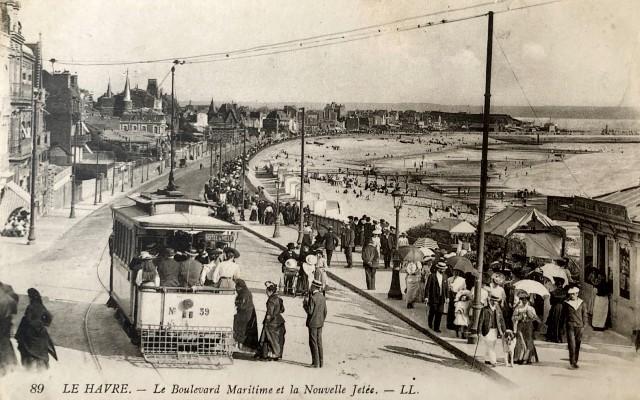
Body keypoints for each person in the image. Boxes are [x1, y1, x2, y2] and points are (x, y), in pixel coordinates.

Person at [15, 288, 57, 370]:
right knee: (42, 350)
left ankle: (28, 368)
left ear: (31, 297)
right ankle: (42, 368)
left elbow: (27, 319)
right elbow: (49, 317)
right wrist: (43, 324)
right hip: (40, 332)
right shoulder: (42, 306)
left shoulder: (30, 307)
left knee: (25, 348)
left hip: (31, 332)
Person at [256, 281, 286, 361]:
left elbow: (269, 313)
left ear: (270, 291)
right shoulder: (279, 299)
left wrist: (266, 322)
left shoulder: (271, 300)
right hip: (279, 321)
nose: (266, 293)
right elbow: (282, 310)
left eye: (267, 292)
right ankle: (276, 355)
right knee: (277, 340)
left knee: (267, 337)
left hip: (272, 322)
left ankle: (266, 355)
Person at [561, 286, 588, 369]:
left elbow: (585, 315)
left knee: (577, 344)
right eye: (571, 294)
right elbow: (563, 316)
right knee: (572, 344)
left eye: (573, 294)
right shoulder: (566, 303)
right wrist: (562, 327)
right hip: (570, 326)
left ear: (577, 294)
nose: (572, 296)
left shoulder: (582, 303)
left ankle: (575, 360)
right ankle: (572, 362)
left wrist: (584, 325)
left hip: (579, 326)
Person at [478, 291, 506, 367]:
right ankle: (493, 361)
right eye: (494, 301)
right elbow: (481, 321)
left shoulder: (498, 310)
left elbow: (501, 320)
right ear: (491, 301)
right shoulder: (485, 309)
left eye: (497, 301)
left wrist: (504, 330)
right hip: (487, 330)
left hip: (495, 330)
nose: (496, 302)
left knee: (491, 345)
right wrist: (479, 332)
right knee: (490, 345)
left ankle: (487, 359)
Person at [303, 279, 327, 368]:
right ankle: (321, 362)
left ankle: (315, 363)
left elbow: (310, 311)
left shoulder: (312, 298)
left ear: (313, 287)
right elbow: (325, 311)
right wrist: (321, 320)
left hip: (313, 323)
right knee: (319, 342)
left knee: (313, 342)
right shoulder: (322, 297)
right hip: (320, 322)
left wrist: (305, 304)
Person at [512, 292, 540, 364]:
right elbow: (513, 318)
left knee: (529, 341)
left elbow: (537, 319)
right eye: (522, 299)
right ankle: (518, 357)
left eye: (526, 299)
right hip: (521, 326)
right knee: (520, 341)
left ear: (528, 300)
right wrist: (518, 317)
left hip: (529, 326)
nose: (524, 301)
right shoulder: (518, 308)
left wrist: (531, 317)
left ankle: (527, 358)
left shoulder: (531, 308)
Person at [233, 279, 259, 352]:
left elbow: (242, 305)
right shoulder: (245, 292)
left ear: (240, 287)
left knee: (239, 326)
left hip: (245, 314)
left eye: (236, 287)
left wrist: (236, 303)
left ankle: (239, 344)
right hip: (248, 313)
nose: (236, 289)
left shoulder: (244, 294)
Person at [425, 262, 449, 333]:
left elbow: (446, 288)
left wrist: (447, 297)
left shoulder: (445, 277)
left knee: (440, 312)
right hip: (433, 297)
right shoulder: (432, 276)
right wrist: (426, 297)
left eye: (444, 269)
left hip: (442, 298)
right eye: (442, 269)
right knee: (433, 312)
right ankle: (430, 323)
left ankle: (436, 327)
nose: (443, 270)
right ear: (438, 269)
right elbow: (427, 287)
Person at [0, 282, 18, 374]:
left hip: (3, 320)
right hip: (7, 320)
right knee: (5, 341)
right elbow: (14, 306)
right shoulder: (7, 289)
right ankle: (11, 364)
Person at [545, 277, 567, 343]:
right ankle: (561, 338)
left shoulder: (553, 292)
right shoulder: (565, 292)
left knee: (553, 322)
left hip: (555, 308)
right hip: (563, 308)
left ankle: (553, 337)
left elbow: (551, 302)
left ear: (556, 285)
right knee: (561, 322)